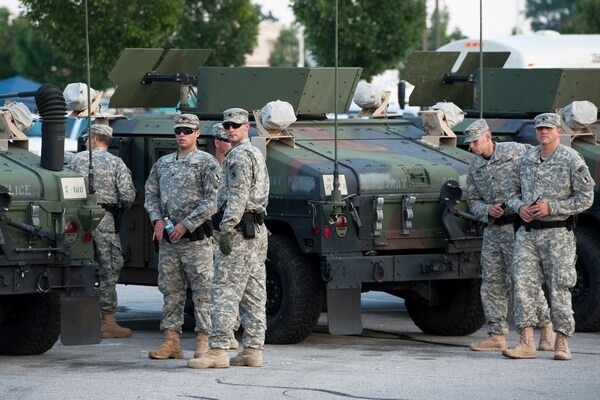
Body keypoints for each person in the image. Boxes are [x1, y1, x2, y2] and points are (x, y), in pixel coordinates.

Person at [503, 113, 595, 361]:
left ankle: (561, 342)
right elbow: (510, 191)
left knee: (560, 288)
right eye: (540, 129)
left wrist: (551, 207)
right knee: (522, 285)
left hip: (558, 234)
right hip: (528, 234)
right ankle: (525, 342)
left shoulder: (571, 159)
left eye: (548, 128)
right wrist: (519, 206)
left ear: (557, 132)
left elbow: (586, 197)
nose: (543, 132)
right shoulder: (526, 159)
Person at [188, 108, 269, 369]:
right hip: (256, 230)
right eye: (227, 125)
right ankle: (253, 350)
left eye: (236, 125)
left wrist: (226, 227)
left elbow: (237, 196)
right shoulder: (256, 152)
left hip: (239, 230)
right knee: (253, 291)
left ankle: (219, 350)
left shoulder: (238, 157)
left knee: (223, 289)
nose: (230, 129)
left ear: (247, 126)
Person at [464, 119, 554, 352]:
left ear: (487, 137)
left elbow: (539, 163)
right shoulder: (474, 167)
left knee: (525, 280)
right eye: (469, 143)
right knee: (492, 281)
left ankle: (546, 328)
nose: (472, 146)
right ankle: (496, 334)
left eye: (475, 141)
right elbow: (472, 201)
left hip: (518, 227)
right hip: (494, 230)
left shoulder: (515, 150)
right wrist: (487, 210)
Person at [144, 114, 220, 360]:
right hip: (169, 241)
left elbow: (214, 200)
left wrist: (187, 224)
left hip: (196, 240)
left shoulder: (206, 162)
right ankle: (171, 341)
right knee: (171, 291)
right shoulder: (164, 163)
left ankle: (204, 340)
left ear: (197, 133)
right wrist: (156, 218)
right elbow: (150, 193)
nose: (182, 134)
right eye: (178, 130)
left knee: (203, 292)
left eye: (187, 130)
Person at [66, 124, 136, 339]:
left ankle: (77, 321)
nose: (86, 142)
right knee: (109, 269)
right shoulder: (117, 163)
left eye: (87, 139)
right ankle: (108, 321)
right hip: (104, 220)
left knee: (75, 267)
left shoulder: (74, 160)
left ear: (94, 139)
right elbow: (128, 196)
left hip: (74, 221)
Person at [211, 122, 239, 350]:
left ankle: (229, 332)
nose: (231, 144)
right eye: (226, 140)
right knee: (213, 287)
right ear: (217, 143)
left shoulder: (235, 165)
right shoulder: (210, 167)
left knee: (230, 283)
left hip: (227, 233)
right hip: (208, 234)